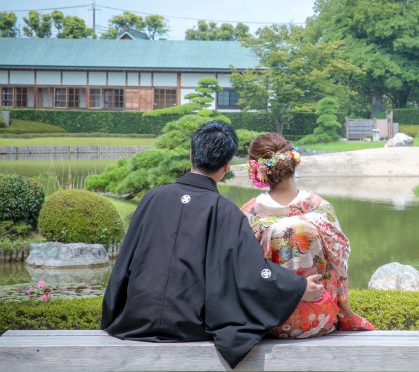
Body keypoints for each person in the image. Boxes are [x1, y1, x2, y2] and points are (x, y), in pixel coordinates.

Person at [101, 120, 324, 369]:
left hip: (133, 321)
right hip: (190, 326)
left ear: (191, 155)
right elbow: (252, 273)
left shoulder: (152, 198)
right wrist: (297, 287)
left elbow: (124, 263)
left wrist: (115, 312)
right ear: (226, 167)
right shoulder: (225, 212)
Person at [240, 132, 375, 338]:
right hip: (319, 318)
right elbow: (340, 261)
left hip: (269, 321)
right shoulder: (320, 209)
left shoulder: (250, 214)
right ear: (294, 163)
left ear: (257, 171)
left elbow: (242, 272)